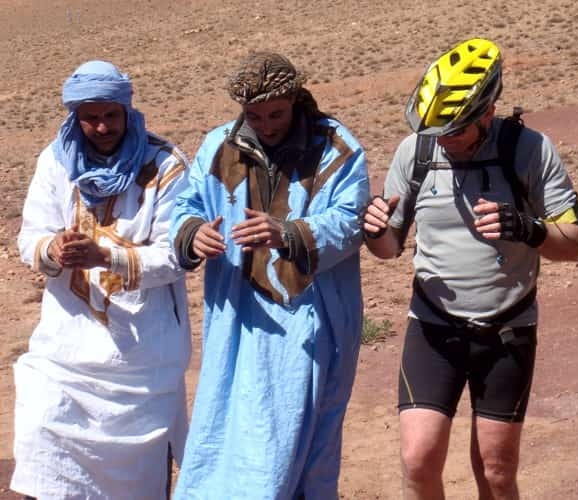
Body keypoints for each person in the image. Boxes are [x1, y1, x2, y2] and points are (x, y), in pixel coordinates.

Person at [362, 38, 578, 499]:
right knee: (418, 459)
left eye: (454, 129)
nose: (441, 139)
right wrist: (374, 230)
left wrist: (528, 229)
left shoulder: (528, 150)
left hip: (506, 330)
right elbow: (389, 248)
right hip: (433, 327)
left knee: (496, 471)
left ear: (487, 111)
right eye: (434, 128)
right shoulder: (417, 152)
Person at [170, 51, 369, 499]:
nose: (266, 124)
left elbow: (352, 219)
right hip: (237, 321)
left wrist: (290, 232)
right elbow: (185, 206)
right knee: (228, 434)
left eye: (275, 113)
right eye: (254, 115)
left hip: (309, 323)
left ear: (296, 99)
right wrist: (193, 233)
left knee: (297, 443)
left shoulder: (335, 147)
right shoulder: (219, 145)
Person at [11, 60, 191, 499]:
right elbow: (29, 236)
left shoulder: (164, 165)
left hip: (143, 356)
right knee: (43, 435)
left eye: (111, 114)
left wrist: (104, 256)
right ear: (75, 115)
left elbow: (176, 254)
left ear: (127, 110)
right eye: (90, 116)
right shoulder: (55, 161)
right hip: (66, 351)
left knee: (141, 477)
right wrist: (52, 250)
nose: (102, 126)